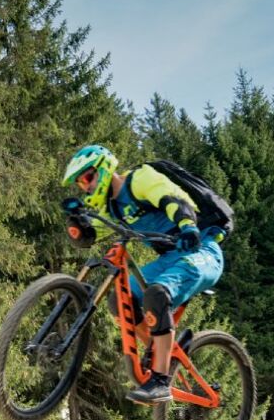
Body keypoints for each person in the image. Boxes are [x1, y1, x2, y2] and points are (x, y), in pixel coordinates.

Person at [61, 145, 225, 404]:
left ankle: (160, 381)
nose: (86, 186)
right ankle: (162, 349)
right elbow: (91, 235)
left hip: (201, 250)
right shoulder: (112, 207)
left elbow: (173, 199)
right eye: (80, 184)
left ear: (103, 168)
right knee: (120, 300)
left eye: (87, 177)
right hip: (170, 259)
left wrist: (187, 226)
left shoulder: (140, 179)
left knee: (156, 293)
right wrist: (78, 224)